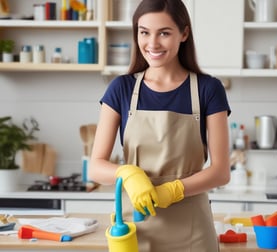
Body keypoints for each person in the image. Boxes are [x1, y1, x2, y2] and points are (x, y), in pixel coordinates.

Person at [89, 0, 231, 251]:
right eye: (144, 32)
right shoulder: (121, 89)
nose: (152, 44)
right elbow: (96, 167)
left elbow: (221, 171)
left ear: (184, 33)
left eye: (164, 33)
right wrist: (127, 174)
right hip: (137, 229)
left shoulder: (208, 90)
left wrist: (174, 190)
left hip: (193, 232)